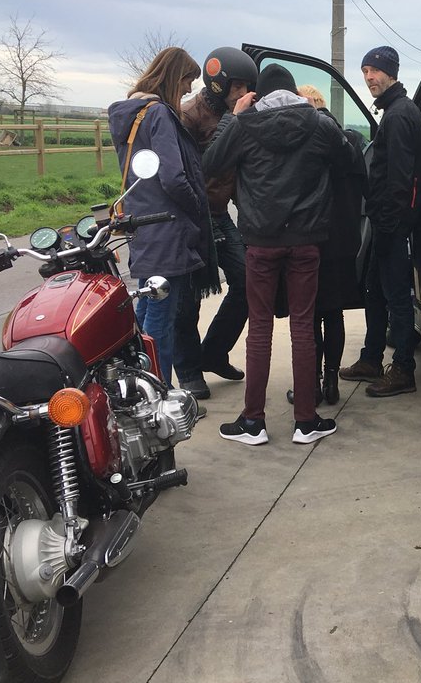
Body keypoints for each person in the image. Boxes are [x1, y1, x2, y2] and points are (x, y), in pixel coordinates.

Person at [203, 64, 355, 446]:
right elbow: (348, 158)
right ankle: (306, 421)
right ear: (294, 93)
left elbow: (210, 164)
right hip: (306, 241)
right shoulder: (318, 123)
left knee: (260, 328)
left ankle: (253, 422)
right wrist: (318, 114)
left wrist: (233, 118)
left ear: (259, 94)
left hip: (261, 242)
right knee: (303, 327)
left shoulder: (244, 124)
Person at [108, 47, 212, 392]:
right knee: (161, 322)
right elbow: (173, 177)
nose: (188, 90)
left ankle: (135, 390)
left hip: (142, 224)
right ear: (173, 76)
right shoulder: (159, 115)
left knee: (143, 317)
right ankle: (159, 395)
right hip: (168, 226)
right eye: (187, 81)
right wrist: (198, 205)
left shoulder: (129, 114)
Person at [339, 45, 421, 397]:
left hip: (392, 225)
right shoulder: (392, 111)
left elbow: (401, 180)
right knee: (374, 293)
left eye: (374, 71)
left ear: (391, 73)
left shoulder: (400, 115)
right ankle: (371, 359)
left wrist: (391, 226)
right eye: (365, 72)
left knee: (395, 298)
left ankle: (403, 368)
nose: (369, 78)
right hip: (383, 223)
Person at [174, 46, 260, 400]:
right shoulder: (190, 115)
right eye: (238, 87)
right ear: (219, 83)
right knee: (189, 298)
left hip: (221, 214)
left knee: (249, 283)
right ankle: (190, 370)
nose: (243, 95)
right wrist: (234, 120)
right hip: (194, 217)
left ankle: (213, 352)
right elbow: (201, 166)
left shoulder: (236, 112)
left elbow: (238, 165)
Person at [286, 84, 369, 406]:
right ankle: (332, 379)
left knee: (309, 316)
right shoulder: (351, 141)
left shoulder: (305, 141)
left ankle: (312, 382)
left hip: (312, 240)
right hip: (345, 243)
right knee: (335, 314)